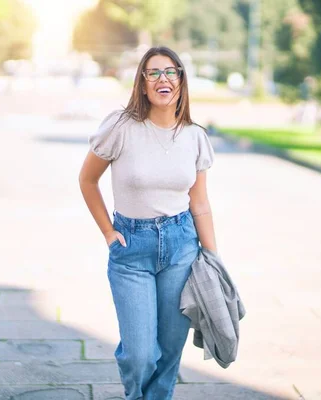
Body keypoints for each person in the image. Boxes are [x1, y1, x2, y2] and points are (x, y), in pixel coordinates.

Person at [78, 46, 217, 400]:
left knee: (170, 353)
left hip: (182, 247)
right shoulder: (121, 127)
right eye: (153, 73)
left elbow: (199, 203)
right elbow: (87, 180)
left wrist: (213, 260)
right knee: (140, 355)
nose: (162, 79)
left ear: (182, 82)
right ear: (142, 84)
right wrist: (109, 233)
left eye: (171, 72)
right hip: (131, 249)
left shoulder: (194, 136)